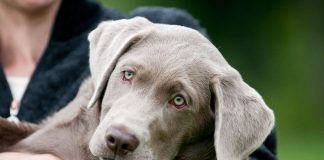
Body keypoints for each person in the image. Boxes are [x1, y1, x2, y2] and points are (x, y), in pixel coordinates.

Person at [0, 0, 277, 159]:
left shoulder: (161, 34)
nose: (124, 131)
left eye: (179, 100)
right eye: (128, 76)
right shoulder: (115, 47)